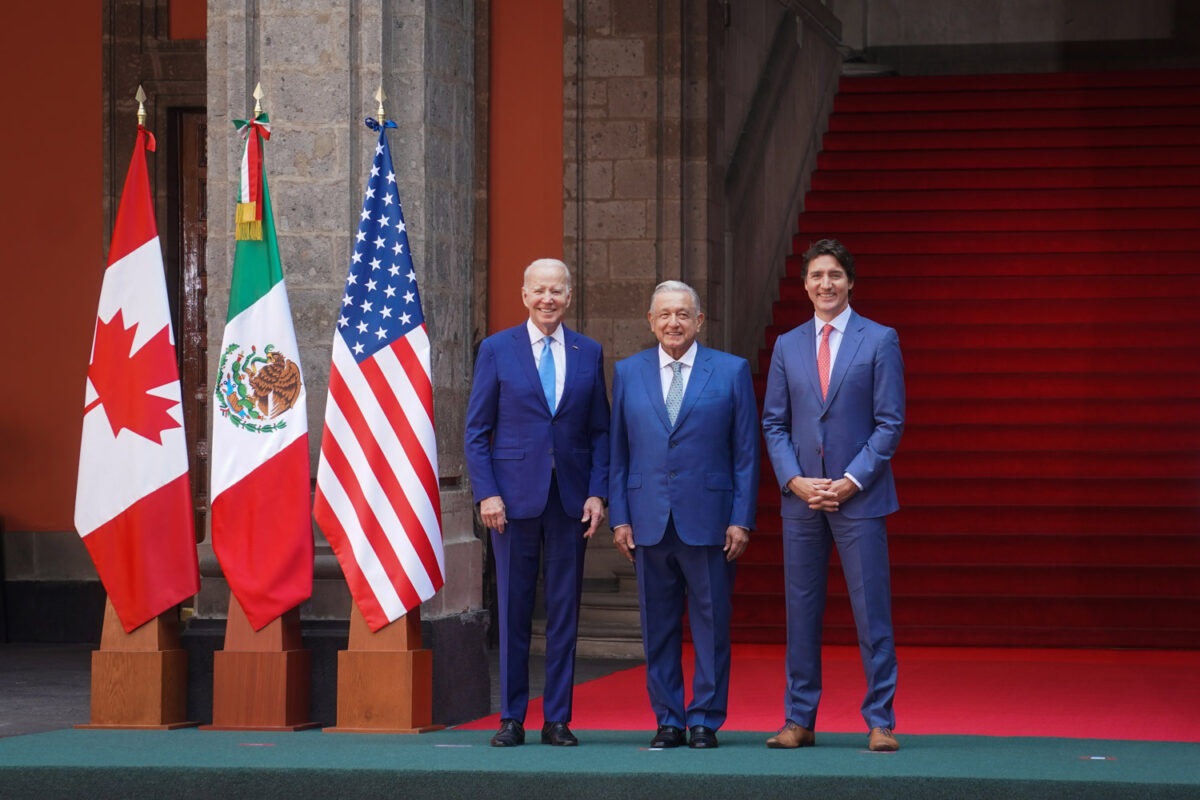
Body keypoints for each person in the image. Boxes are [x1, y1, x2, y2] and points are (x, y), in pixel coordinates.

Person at [760, 238, 905, 752]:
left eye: (835, 275)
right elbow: (774, 423)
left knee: (872, 611)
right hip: (802, 499)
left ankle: (880, 721)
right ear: (805, 285)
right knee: (801, 613)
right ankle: (799, 719)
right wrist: (794, 480)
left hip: (859, 497)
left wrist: (851, 479)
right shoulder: (787, 345)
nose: (826, 284)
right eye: (817, 275)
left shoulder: (880, 339)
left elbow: (890, 422)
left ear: (850, 282)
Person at [464, 258, 609, 747]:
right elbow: (477, 431)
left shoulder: (589, 351)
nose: (548, 299)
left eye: (557, 290)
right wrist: (487, 492)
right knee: (513, 609)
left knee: (565, 611)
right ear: (524, 295)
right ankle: (511, 717)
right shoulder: (496, 349)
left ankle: (558, 719)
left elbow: (600, 431)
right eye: (539, 290)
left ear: (569, 296)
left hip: (570, 499)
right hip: (510, 501)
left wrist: (597, 492)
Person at [609, 280, 759, 750]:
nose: (673, 323)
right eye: (664, 314)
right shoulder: (628, 371)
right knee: (657, 627)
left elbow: (746, 453)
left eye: (682, 314)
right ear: (650, 322)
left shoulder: (731, 371)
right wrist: (620, 517)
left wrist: (741, 518)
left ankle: (705, 720)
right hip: (647, 519)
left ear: (700, 321)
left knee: (712, 626)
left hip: (711, 519)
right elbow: (618, 453)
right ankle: (669, 719)